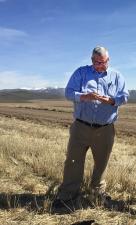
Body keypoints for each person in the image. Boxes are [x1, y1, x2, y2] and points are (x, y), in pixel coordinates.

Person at [53, 46, 129, 209]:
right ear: (91, 60)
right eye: (97, 62)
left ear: (108, 60)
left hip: (105, 128)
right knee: (73, 161)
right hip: (81, 126)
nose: (100, 65)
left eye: (104, 62)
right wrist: (85, 96)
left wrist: (111, 100)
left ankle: (97, 193)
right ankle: (68, 194)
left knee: (101, 162)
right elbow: (68, 92)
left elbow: (124, 96)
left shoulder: (117, 76)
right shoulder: (81, 73)